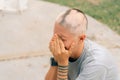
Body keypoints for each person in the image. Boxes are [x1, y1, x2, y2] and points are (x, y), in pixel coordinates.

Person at [45, 8, 119, 80]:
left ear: (81, 38)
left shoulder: (96, 63)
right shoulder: (64, 53)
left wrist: (62, 64)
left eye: (63, 39)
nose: (56, 42)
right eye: (55, 36)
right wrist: (56, 59)